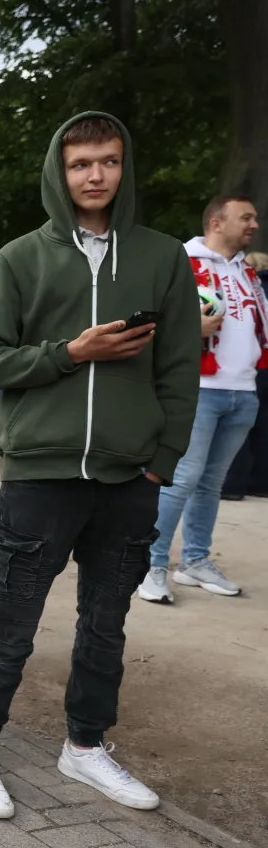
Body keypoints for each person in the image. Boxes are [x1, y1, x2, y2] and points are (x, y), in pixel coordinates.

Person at [0, 112, 199, 819]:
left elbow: (181, 370)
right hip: (41, 472)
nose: (96, 175)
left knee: (106, 621)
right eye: (81, 163)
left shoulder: (160, 257)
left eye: (109, 161)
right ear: (59, 173)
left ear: (125, 167)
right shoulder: (22, 257)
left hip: (129, 478)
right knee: (12, 616)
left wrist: (161, 462)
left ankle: (85, 746)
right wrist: (72, 352)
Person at [138, 197, 264, 603]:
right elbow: (145, 319)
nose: (254, 225)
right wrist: (187, 326)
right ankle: (151, 564)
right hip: (198, 390)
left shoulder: (247, 270)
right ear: (216, 222)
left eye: (255, 218)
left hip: (243, 390)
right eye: (245, 217)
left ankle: (194, 561)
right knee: (179, 480)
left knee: (211, 483)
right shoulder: (180, 260)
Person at [223, 249, 268, 500]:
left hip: (251, 365)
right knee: (264, 427)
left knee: (239, 428)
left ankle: (233, 483)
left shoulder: (249, 287)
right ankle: (262, 482)